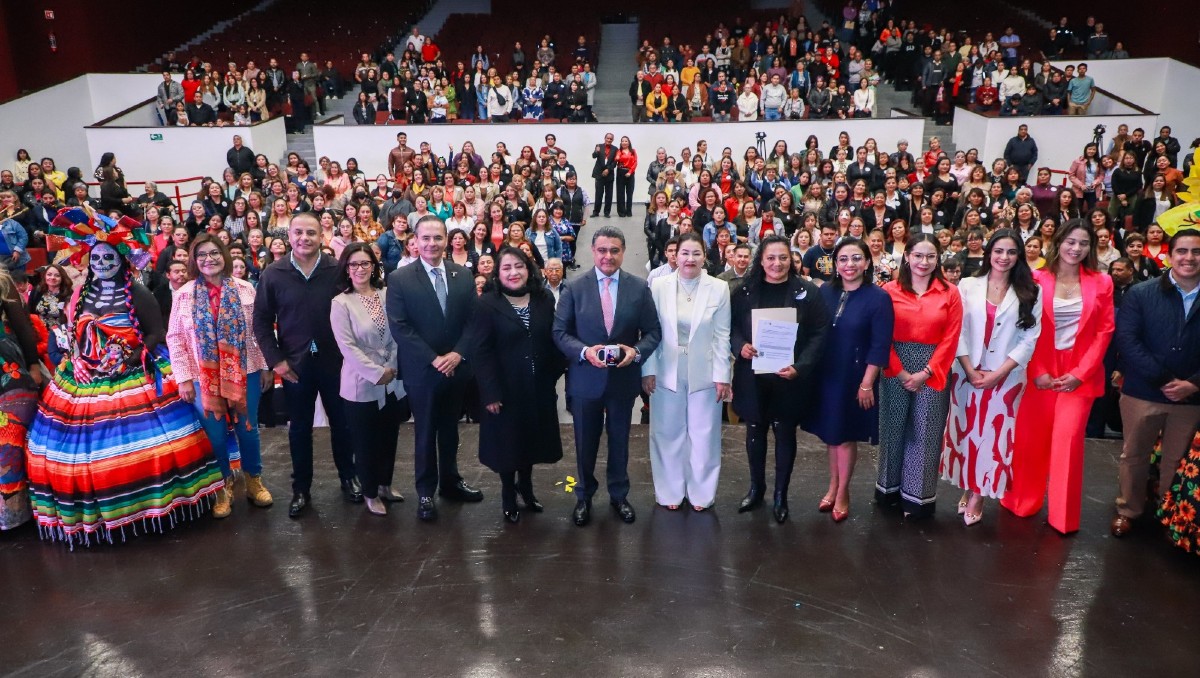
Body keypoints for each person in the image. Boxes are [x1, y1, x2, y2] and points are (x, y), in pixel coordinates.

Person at [27, 208, 221, 546]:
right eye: (96, 257)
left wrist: (131, 356)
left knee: (157, 444)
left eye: (108, 257)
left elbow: (157, 332)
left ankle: (156, 505)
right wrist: (84, 358)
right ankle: (105, 514)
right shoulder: (81, 294)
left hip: (136, 369)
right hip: (86, 374)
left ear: (120, 259)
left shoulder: (138, 292)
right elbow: (76, 334)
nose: (101, 263)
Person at [1003, 219, 1115, 535]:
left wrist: (1080, 374)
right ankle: (1021, 501)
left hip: (1080, 374)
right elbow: (1024, 327)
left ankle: (1063, 518)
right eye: (1070, 242)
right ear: (1058, 243)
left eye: (1083, 243)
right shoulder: (1036, 279)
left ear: (1090, 248)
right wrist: (1036, 370)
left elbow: (1104, 331)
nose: (1076, 248)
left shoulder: (1102, 282)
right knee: (1029, 442)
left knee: (1067, 443)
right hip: (1039, 370)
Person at [553, 226, 662, 526]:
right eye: (602, 250)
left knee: (620, 443)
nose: (608, 256)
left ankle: (619, 495)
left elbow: (653, 332)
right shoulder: (574, 288)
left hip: (622, 382)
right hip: (585, 380)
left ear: (623, 252)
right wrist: (584, 352)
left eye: (614, 250)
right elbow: (559, 333)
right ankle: (582, 496)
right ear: (593, 251)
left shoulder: (639, 288)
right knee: (584, 444)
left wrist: (636, 352)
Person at [253, 213, 357, 519]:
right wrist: (276, 361)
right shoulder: (273, 273)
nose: (304, 238)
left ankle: (349, 477)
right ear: (289, 235)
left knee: (343, 425)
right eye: (298, 232)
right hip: (294, 365)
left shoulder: (336, 270)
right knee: (299, 429)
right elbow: (260, 321)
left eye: (311, 233)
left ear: (321, 236)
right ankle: (301, 489)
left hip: (335, 362)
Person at [166, 234, 274, 519]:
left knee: (247, 428)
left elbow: (258, 332)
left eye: (214, 253)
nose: (208, 259)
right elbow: (175, 337)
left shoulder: (245, 289)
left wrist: (265, 366)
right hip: (203, 377)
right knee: (214, 433)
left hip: (245, 370)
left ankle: (253, 479)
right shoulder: (184, 294)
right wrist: (184, 378)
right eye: (201, 254)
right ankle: (221, 486)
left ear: (224, 255)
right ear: (193, 260)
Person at [941, 229, 1043, 526]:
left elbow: (1029, 338)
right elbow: (955, 329)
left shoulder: (1031, 289)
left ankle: (979, 495)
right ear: (989, 253)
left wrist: (998, 373)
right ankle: (970, 484)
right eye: (999, 251)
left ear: (1019, 256)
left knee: (995, 437)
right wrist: (971, 369)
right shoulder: (968, 284)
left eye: (1011, 252)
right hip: (966, 373)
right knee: (967, 433)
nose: (1004, 257)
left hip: (1006, 377)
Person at [387, 216, 483, 521]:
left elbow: (472, 321)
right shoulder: (400, 278)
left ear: (447, 240)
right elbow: (400, 327)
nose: (432, 244)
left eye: (437, 238)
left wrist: (457, 354)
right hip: (423, 370)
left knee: (451, 431)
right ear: (414, 241)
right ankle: (426, 491)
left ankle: (451, 482)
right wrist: (434, 358)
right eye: (425, 238)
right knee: (426, 432)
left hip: (456, 368)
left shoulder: (463, 275)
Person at [730, 236, 828, 521]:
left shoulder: (807, 292)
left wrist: (801, 366)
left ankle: (780, 495)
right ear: (760, 260)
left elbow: (819, 334)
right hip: (753, 376)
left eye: (783, 257)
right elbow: (732, 327)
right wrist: (740, 347)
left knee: (785, 432)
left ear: (792, 260)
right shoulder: (743, 291)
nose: (777, 263)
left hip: (789, 378)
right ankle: (756, 489)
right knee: (755, 431)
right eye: (771, 258)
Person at [1110, 228, 1200, 537]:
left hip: (1191, 397)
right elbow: (1128, 340)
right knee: (1134, 454)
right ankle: (1128, 509)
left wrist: (1193, 384)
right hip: (1144, 390)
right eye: (1182, 251)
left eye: (1196, 252)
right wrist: (1163, 379)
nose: (1189, 257)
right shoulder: (1141, 292)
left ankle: (1168, 513)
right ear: (1170, 255)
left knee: (1177, 460)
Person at [471, 246, 565, 523]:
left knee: (530, 442)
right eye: (506, 268)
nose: (514, 272)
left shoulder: (544, 298)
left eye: (519, 266)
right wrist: (490, 392)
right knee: (507, 446)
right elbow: (481, 351)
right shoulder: (487, 303)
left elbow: (554, 339)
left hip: (536, 387)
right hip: (504, 389)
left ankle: (526, 488)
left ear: (529, 268)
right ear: (497, 274)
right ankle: (508, 495)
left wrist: (553, 374)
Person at [804, 238, 894, 522]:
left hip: (855, 377)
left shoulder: (878, 298)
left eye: (856, 258)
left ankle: (843, 492)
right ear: (835, 264)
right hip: (826, 374)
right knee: (831, 436)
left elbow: (880, 345)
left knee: (844, 437)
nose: (849, 264)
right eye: (843, 259)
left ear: (867, 263)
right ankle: (831, 486)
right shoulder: (825, 293)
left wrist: (867, 383)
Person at [641, 233, 732, 512]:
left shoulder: (718, 288)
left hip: (704, 370)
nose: (690, 259)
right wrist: (648, 369)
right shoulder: (658, 285)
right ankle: (669, 491)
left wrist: (722, 376)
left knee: (705, 434)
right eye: (684, 253)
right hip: (666, 367)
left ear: (705, 256)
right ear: (674, 256)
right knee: (666, 432)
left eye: (696, 253)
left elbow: (722, 336)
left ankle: (701, 494)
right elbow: (649, 332)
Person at [876, 234, 963, 518]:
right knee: (893, 428)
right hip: (895, 365)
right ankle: (889, 491)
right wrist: (901, 372)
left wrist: (926, 372)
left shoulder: (949, 292)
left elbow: (951, 338)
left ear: (938, 259)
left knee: (925, 432)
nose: (923, 262)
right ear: (906, 256)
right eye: (918, 255)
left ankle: (917, 497)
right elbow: (882, 336)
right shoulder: (889, 290)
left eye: (930, 256)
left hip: (933, 368)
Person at [330, 243, 407, 517]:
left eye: (365, 263)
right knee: (365, 442)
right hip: (360, 384)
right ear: (346, 269)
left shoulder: (388, 294)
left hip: (393, 379)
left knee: (390, 436)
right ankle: (371, 493)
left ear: (374, 266)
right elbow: (347, 347)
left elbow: (400, 331)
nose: (360, 269)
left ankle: (385, 484)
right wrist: (377, 372)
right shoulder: (340, 303)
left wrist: (392, 367)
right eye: (354, 264)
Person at [0, 267, 43, 532]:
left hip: (10, 376)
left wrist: (34, 364)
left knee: (9, 446)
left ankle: (15, 518)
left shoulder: (2, 282)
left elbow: (23, 327)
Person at [591, 133, 618, 219]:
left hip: (609, 174)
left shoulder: (615, 149)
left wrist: (608, 169)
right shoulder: (599, 146)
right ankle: (596, 212)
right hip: (599, 174)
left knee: (609, 195)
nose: (609, 140)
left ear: (612, 140)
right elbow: (593, 156)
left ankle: (607, 212)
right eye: (608, 138)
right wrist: (596, 151)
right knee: (598, 194)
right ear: (605, 138)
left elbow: (615, 162)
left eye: (611, 139)